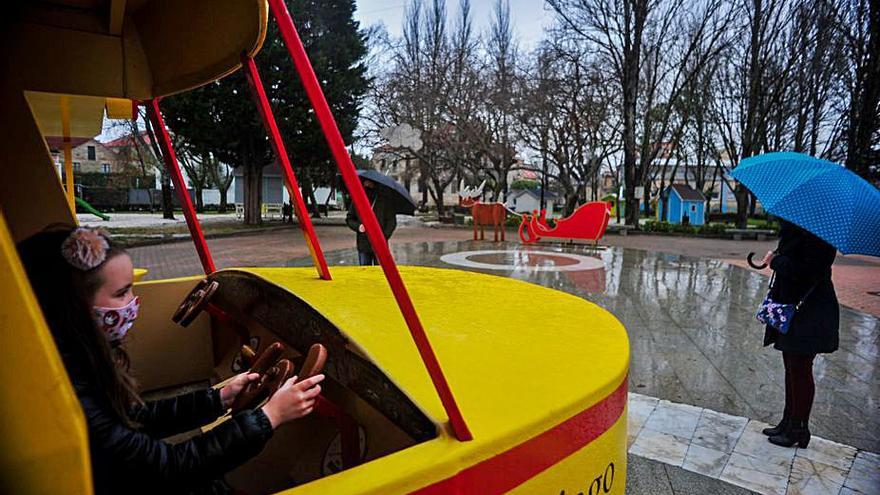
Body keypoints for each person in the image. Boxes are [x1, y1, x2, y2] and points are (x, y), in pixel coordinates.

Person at [16, 226, 325, 494]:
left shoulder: (72, 362)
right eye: (122, 293)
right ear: (73, 308)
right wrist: (270, 416)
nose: (133, 302)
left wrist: (218, 399)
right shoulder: (69, 390)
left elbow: (135, 418)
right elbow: (172, 468)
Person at [758, 220, 838, 449]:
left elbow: (808, 270)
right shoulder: (803, 226)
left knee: (800, 367)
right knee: (791, 364)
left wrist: (777, 261)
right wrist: (778, 256)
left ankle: (799, 428)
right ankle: (788, 420)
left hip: (809, 309)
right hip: (793, 306)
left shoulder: (819, 232)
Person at [345, 179, 397, 266]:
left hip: (380, 245)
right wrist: (358, 227)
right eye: (365, 182)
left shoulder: (384, 201)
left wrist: (384, 236)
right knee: (364, 271)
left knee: (381, 272)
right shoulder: (358, 200)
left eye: (369, 182)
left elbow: (391, 222)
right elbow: (349, 218)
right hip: (363, 243)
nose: (367, 184)